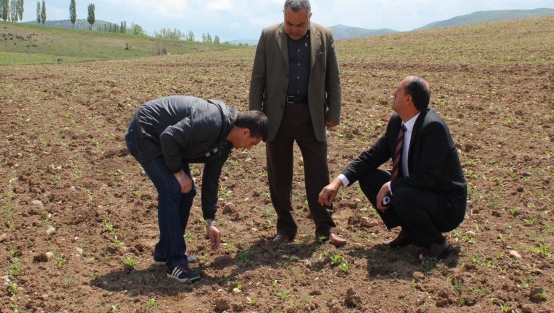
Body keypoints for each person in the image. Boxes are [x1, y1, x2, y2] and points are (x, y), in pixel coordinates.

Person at [319, 76, 467, 259]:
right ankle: (410, 231)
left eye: (398, 89)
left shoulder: (433, 128)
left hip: (446, 204)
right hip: (420, 192)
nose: (393, 93)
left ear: (408, 99)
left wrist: (390, 186)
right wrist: (338, 182)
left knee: (402, 194)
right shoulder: (398, 122)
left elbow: (426, 179)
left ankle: (435, 243)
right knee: (369, 177)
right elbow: (372, 156)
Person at [125, 96, 268, 282]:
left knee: (187, 190)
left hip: (171, 142)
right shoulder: (212, 121)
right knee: (172, 188)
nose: (249, 149)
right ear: (246, 132)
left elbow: (211, 180)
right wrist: (178, 173)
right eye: (253, 143)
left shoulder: (225, 144)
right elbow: (169, 137)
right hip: (146, 131)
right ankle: (175, 263)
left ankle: (164, 252)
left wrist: (210, 221)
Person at [249, 0, 346, 245]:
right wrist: (256, 119)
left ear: (310, 17)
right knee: (279, 173)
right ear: (283, 15)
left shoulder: (324, 35)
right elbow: (257, 79)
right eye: (289, 23)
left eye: (300, 24)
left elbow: (333, 77)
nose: (294, 29)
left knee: (318, 172)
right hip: (277, 117)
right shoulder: (269, 35)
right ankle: (286, 228)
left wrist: (333, 110)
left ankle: (325, 226)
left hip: (311, 114)